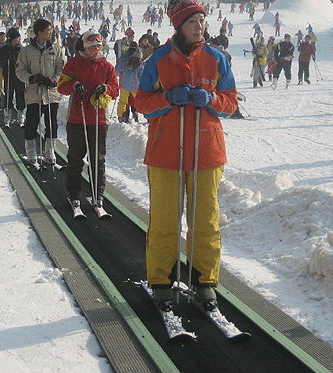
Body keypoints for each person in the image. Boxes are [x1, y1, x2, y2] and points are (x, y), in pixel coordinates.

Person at [135, 0, 238, 311]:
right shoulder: (159, 59)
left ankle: (204, 279)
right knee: (165, 219)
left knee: (205, 220)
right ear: (178, 25)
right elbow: (141, 102)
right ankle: (161, 280)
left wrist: (211, 99)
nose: (199, 27)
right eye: (192, 22)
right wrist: (167, 98)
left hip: (207, 152)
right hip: (166, 153)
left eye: (201, 21)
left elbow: (231, 103)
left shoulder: (217, 58)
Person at [57, 31, 119, 207]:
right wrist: (74, 85)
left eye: (98, 47)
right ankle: (73, 192)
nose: (95, 50)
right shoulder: (74, 63)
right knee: (75, 158)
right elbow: (61, 86)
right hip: (77, 118)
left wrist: (106, 88)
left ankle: (97, 192)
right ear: (84, 46)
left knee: (98, 159)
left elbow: (115, 89)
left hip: (99, 119)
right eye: (91, 47)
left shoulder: (107, 66)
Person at [16, 19, 66, 166]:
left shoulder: (56, 49)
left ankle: (49, 152)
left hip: (51, 94)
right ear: (39, 32)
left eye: (51, 30)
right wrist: (31, 78)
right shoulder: (26, 51)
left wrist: (55, 80)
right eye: (47, 31)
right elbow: (19, 71)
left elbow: (62, 68)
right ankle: (31, 152)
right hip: (34, 94)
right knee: (32, 123)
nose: (50, 33)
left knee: (52, 124)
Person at [0, 28, 26, 126]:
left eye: (19, 37)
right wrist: (5, 60)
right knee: (8, 95)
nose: (19, 39)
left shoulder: (22, 49)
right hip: (9, 76)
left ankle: (20, 116)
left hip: (20, 77)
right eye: (17, 38)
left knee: (20, 96)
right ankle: (7, 116)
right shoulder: (4, 49)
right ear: (12, 39)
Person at [115, 42, 143, 122]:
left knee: (123, 101)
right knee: (139, 99)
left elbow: (117, 69)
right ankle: (146, 114)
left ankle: (121, 116)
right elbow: (141, 73)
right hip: (135, 84)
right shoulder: (138, 57)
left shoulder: (123, 57)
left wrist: (119, 73)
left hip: (124, 83)